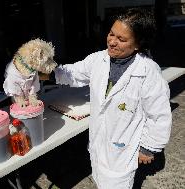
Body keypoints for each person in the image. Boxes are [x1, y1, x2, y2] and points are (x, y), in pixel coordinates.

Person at [46, 8, 172, 188]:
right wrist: (49, 73)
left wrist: (149, 148)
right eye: (111, 34)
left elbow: (159, 116)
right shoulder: (98, 59)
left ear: (138, 44)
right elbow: (74, 73)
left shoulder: (148, 72)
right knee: (100, 179)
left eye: (121, 39)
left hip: (122, 151)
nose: (112, 41)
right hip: (98, 144)